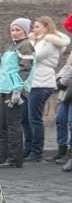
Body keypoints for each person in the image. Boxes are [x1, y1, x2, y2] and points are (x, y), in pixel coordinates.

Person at [23, 16, 69, 162]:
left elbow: (33, 56)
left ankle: (36, 152)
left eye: (37, 27)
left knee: (35, 119)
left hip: (41, 83)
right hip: (36, 82)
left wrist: (30, 41)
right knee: (28, 118)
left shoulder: (48, 43)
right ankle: (30, 149)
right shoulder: (44, 40)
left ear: (46, 27)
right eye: (33, 27)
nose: (34, 30)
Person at [0, 18, 36, 169]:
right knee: (0, 124)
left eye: (18, 30)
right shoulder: (12, 46)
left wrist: (17, 91)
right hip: (5, 91)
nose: (15, 32)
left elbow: (25, 70)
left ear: (25, 31)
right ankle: (0, 157)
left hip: (15, 91)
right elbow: (5, 71)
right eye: (13, 30)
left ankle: (15, 159)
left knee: (12, 125)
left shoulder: (26, 46)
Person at [55, 14, 72, 167]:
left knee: (70, 122)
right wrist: (59, 78)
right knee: (61, 120)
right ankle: (62, 149)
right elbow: (67, 66)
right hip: (67, 89)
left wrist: (62, 80)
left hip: (68, 86)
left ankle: (69, 154)